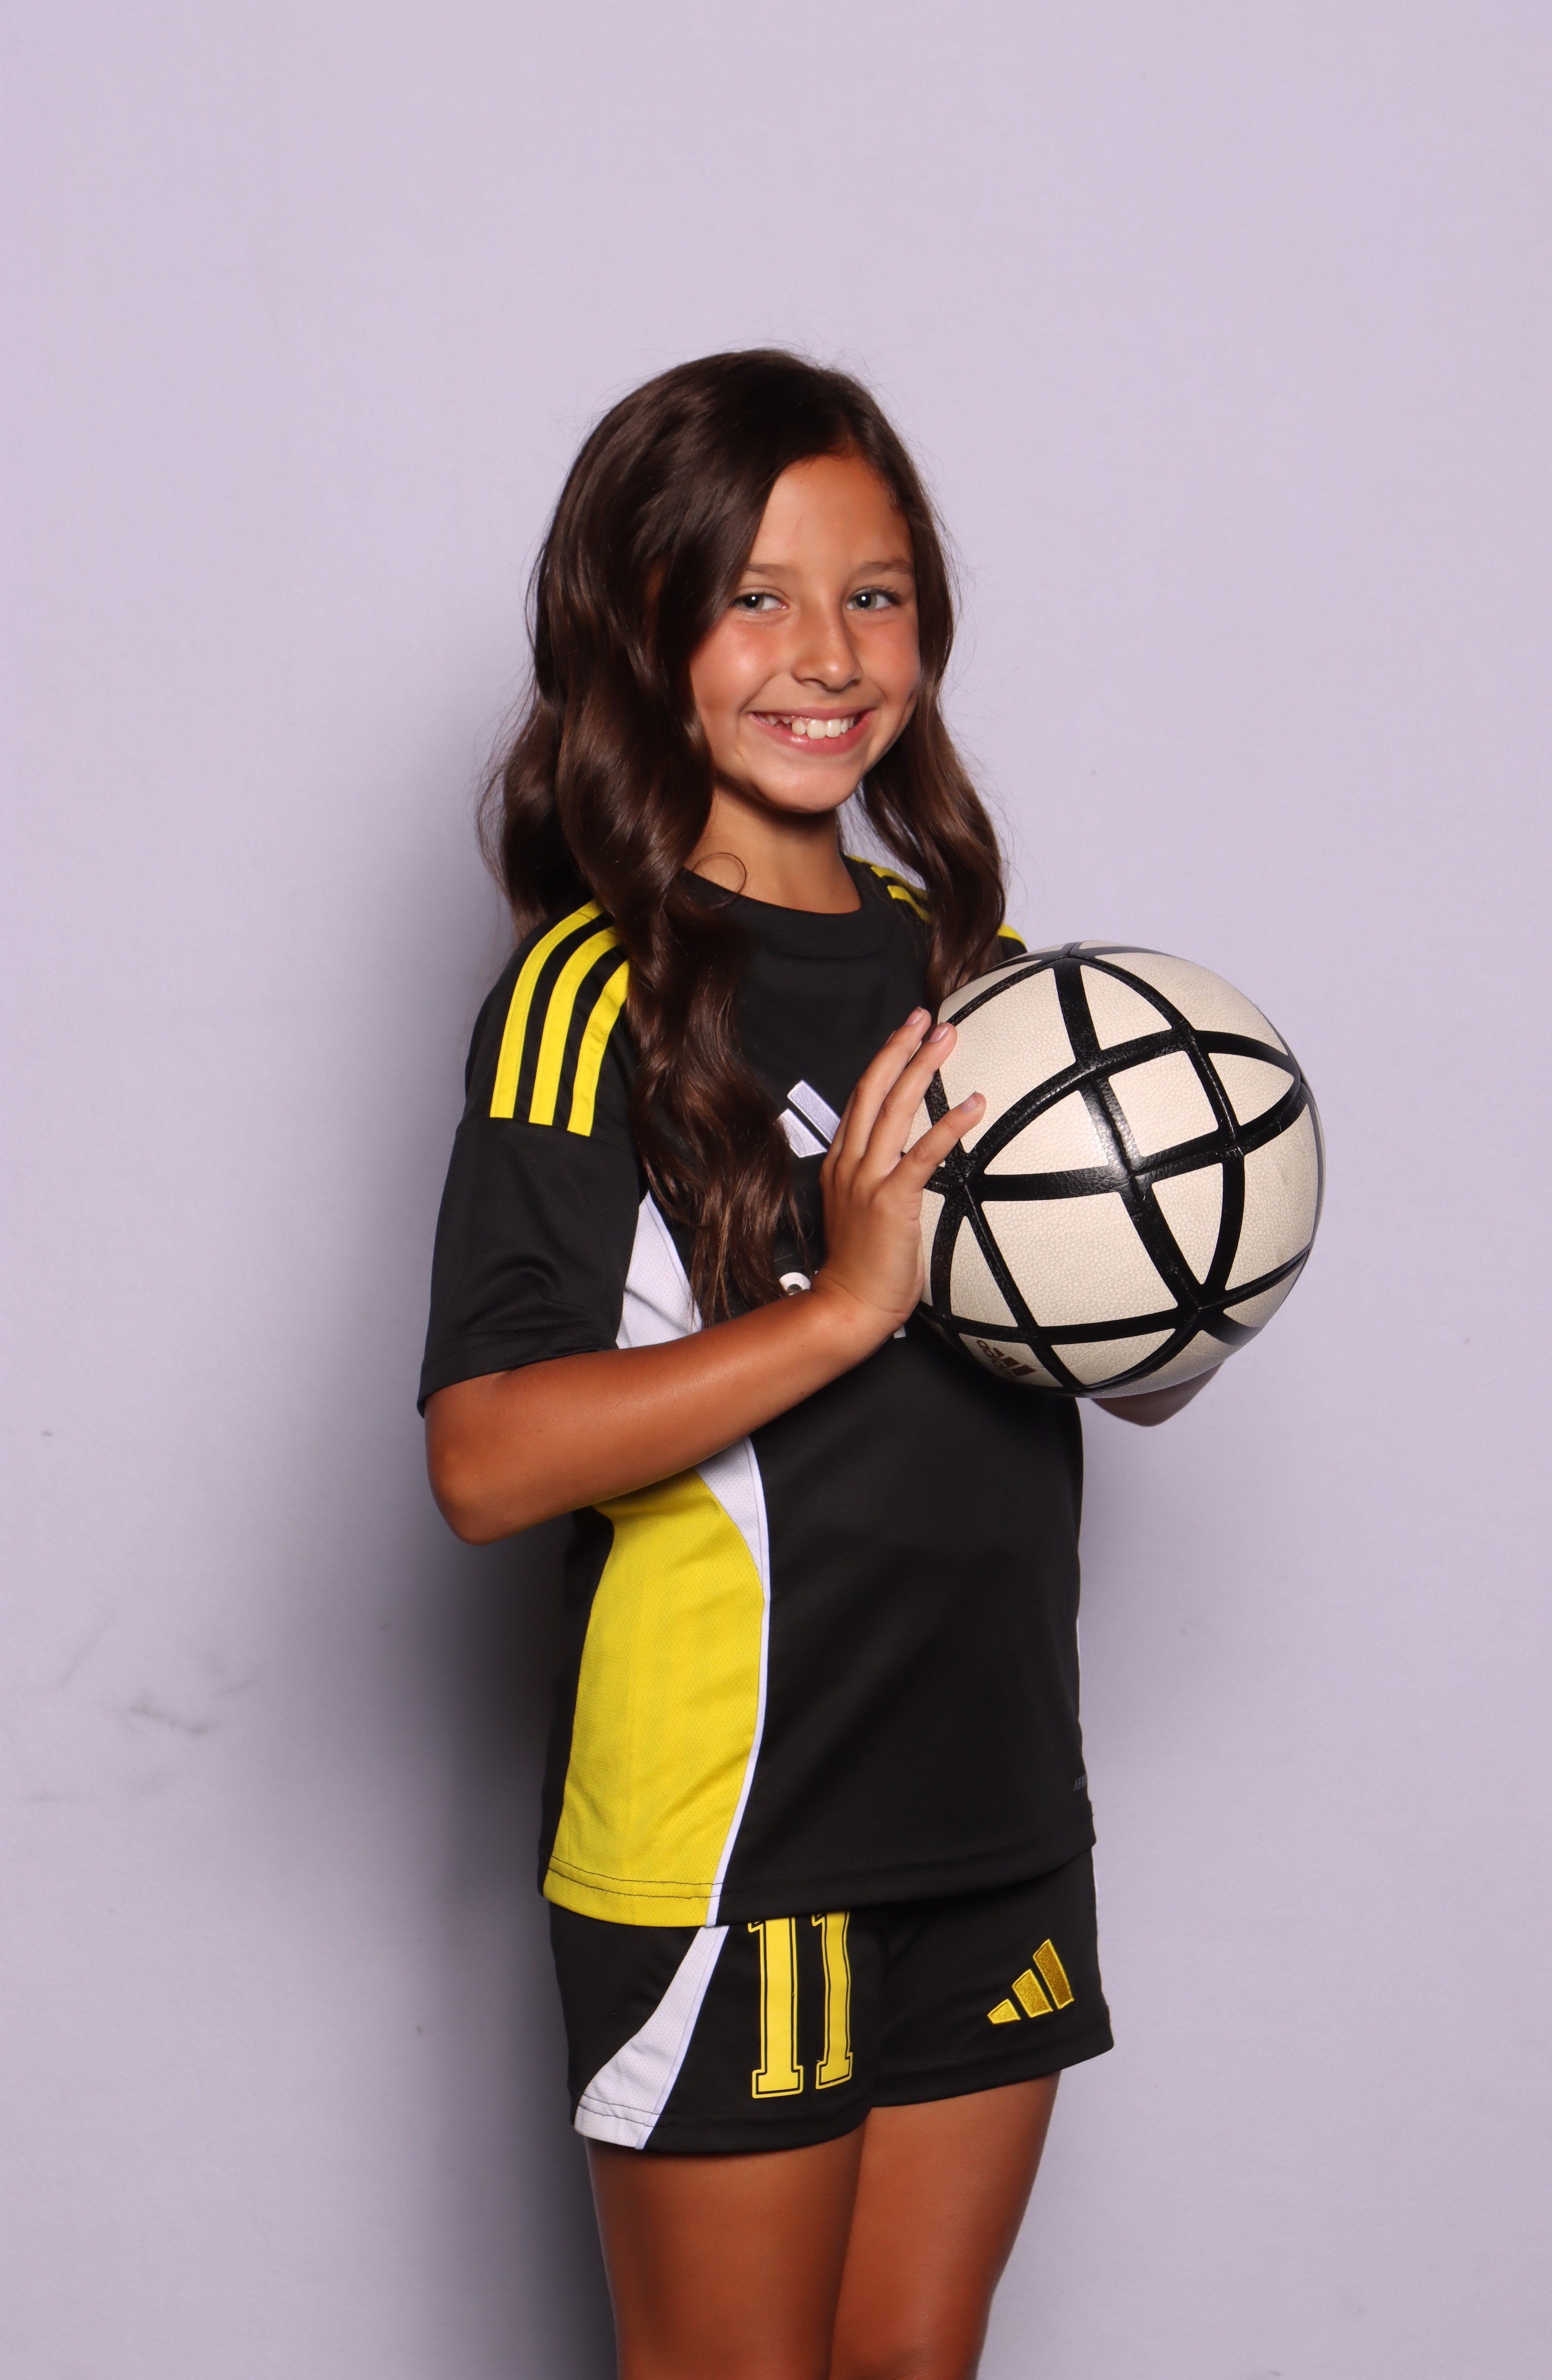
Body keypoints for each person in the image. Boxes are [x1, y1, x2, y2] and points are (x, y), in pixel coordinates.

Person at [420, 351, 1213, 2380]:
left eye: (874, 595)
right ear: (640, 626)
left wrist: (1185, 1261)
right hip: (734, 1840)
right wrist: (846, 1304)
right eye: (754, 597)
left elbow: (1107, 1367)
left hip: (997, 1808)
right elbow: (487, 1457)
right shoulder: (591, 988)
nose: (828, 656)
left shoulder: (971, 968)